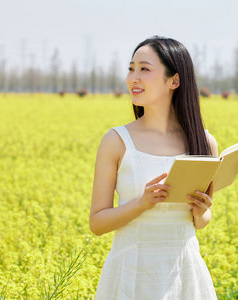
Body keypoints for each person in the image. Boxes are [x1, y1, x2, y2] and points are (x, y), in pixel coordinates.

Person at [89, 36, 218, 299]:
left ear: (174, 81)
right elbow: (97, 223)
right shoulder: (116, 141)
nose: (133, 78)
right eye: (131, 68)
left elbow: (201, 222)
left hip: (185, 274)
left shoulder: (204, 142)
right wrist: (141, 203)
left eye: (144, 69)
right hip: (131, 273)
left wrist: (201, 211)